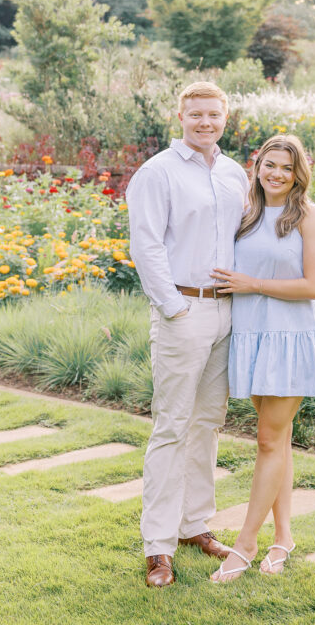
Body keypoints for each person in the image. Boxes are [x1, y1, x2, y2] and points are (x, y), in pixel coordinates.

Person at [125, 81, 249, 588]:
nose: (205, 122)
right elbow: (146, 245)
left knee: (208, 423)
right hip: (183, 312)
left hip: (227, 313)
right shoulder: (157, 173)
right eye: (196, 114)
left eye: (213, 115)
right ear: (180, 116)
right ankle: (158, 547)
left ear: (225, 118)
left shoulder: (234, 172)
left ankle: (194, 524)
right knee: (172, 426)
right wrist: (174, 308)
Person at [209, 134, 315, 583]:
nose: (277, 174)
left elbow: (314, 286)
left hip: (291, 341)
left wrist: (253, 284)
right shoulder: (245, 214)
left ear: (297, 172)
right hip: (252, 338)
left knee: (267, 440)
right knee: (277, 442)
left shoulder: (307, 215)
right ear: (258, 165)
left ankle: (245, 544)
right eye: (270, 165)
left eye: (286, 167)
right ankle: (283, 537)